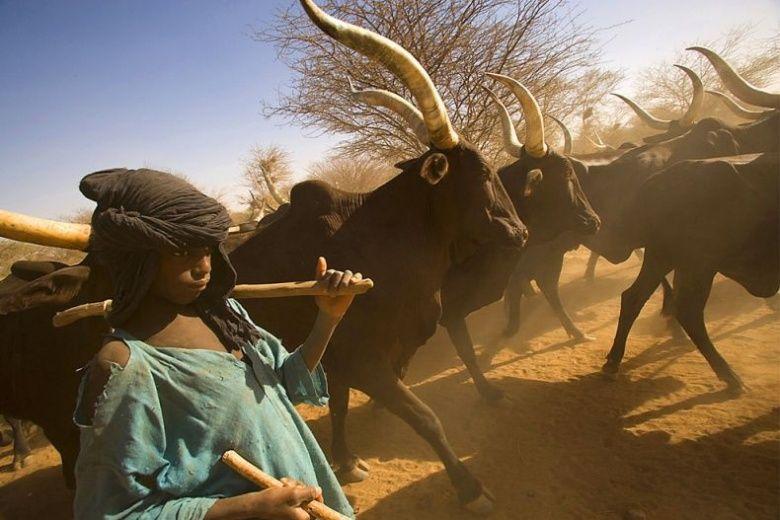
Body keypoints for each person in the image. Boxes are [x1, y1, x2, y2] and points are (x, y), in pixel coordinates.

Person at [72, 168, 357, 519]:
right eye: (182, 252)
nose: (204, 267)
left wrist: (328, 318)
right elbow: (113, 513)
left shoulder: (226, 316)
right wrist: (248, 508)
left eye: (207, 249)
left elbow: (285, 383)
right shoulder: (125, 367)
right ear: (136, 258)